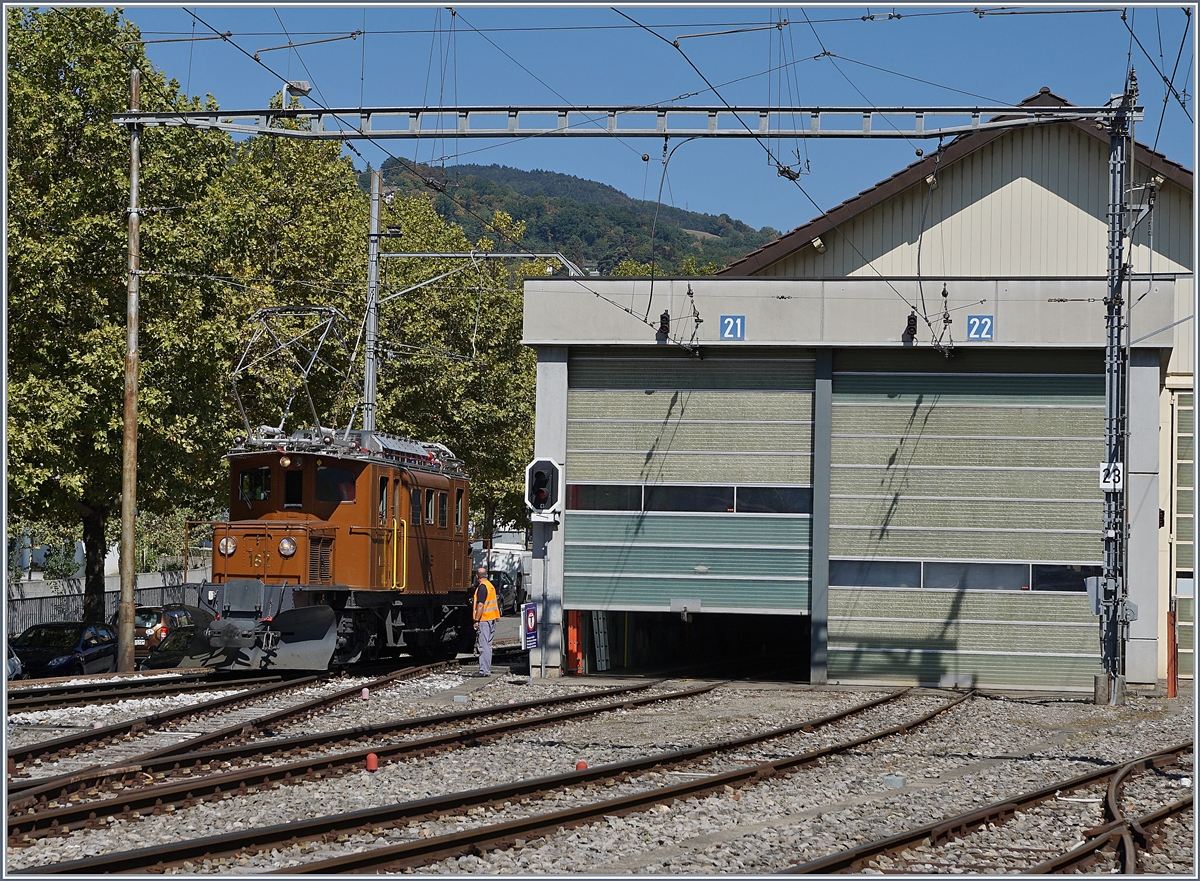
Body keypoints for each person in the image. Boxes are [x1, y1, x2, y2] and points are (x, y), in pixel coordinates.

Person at [472, 566, 500, 677]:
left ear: (477, 576)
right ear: (486, 576)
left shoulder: (482, 587)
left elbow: (480, 605)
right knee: (488, 646)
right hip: (492, 618)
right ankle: (486, 670)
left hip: (484, 619)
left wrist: (476, 620)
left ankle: (484, 671)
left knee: (483, 646)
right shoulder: (490, 586)